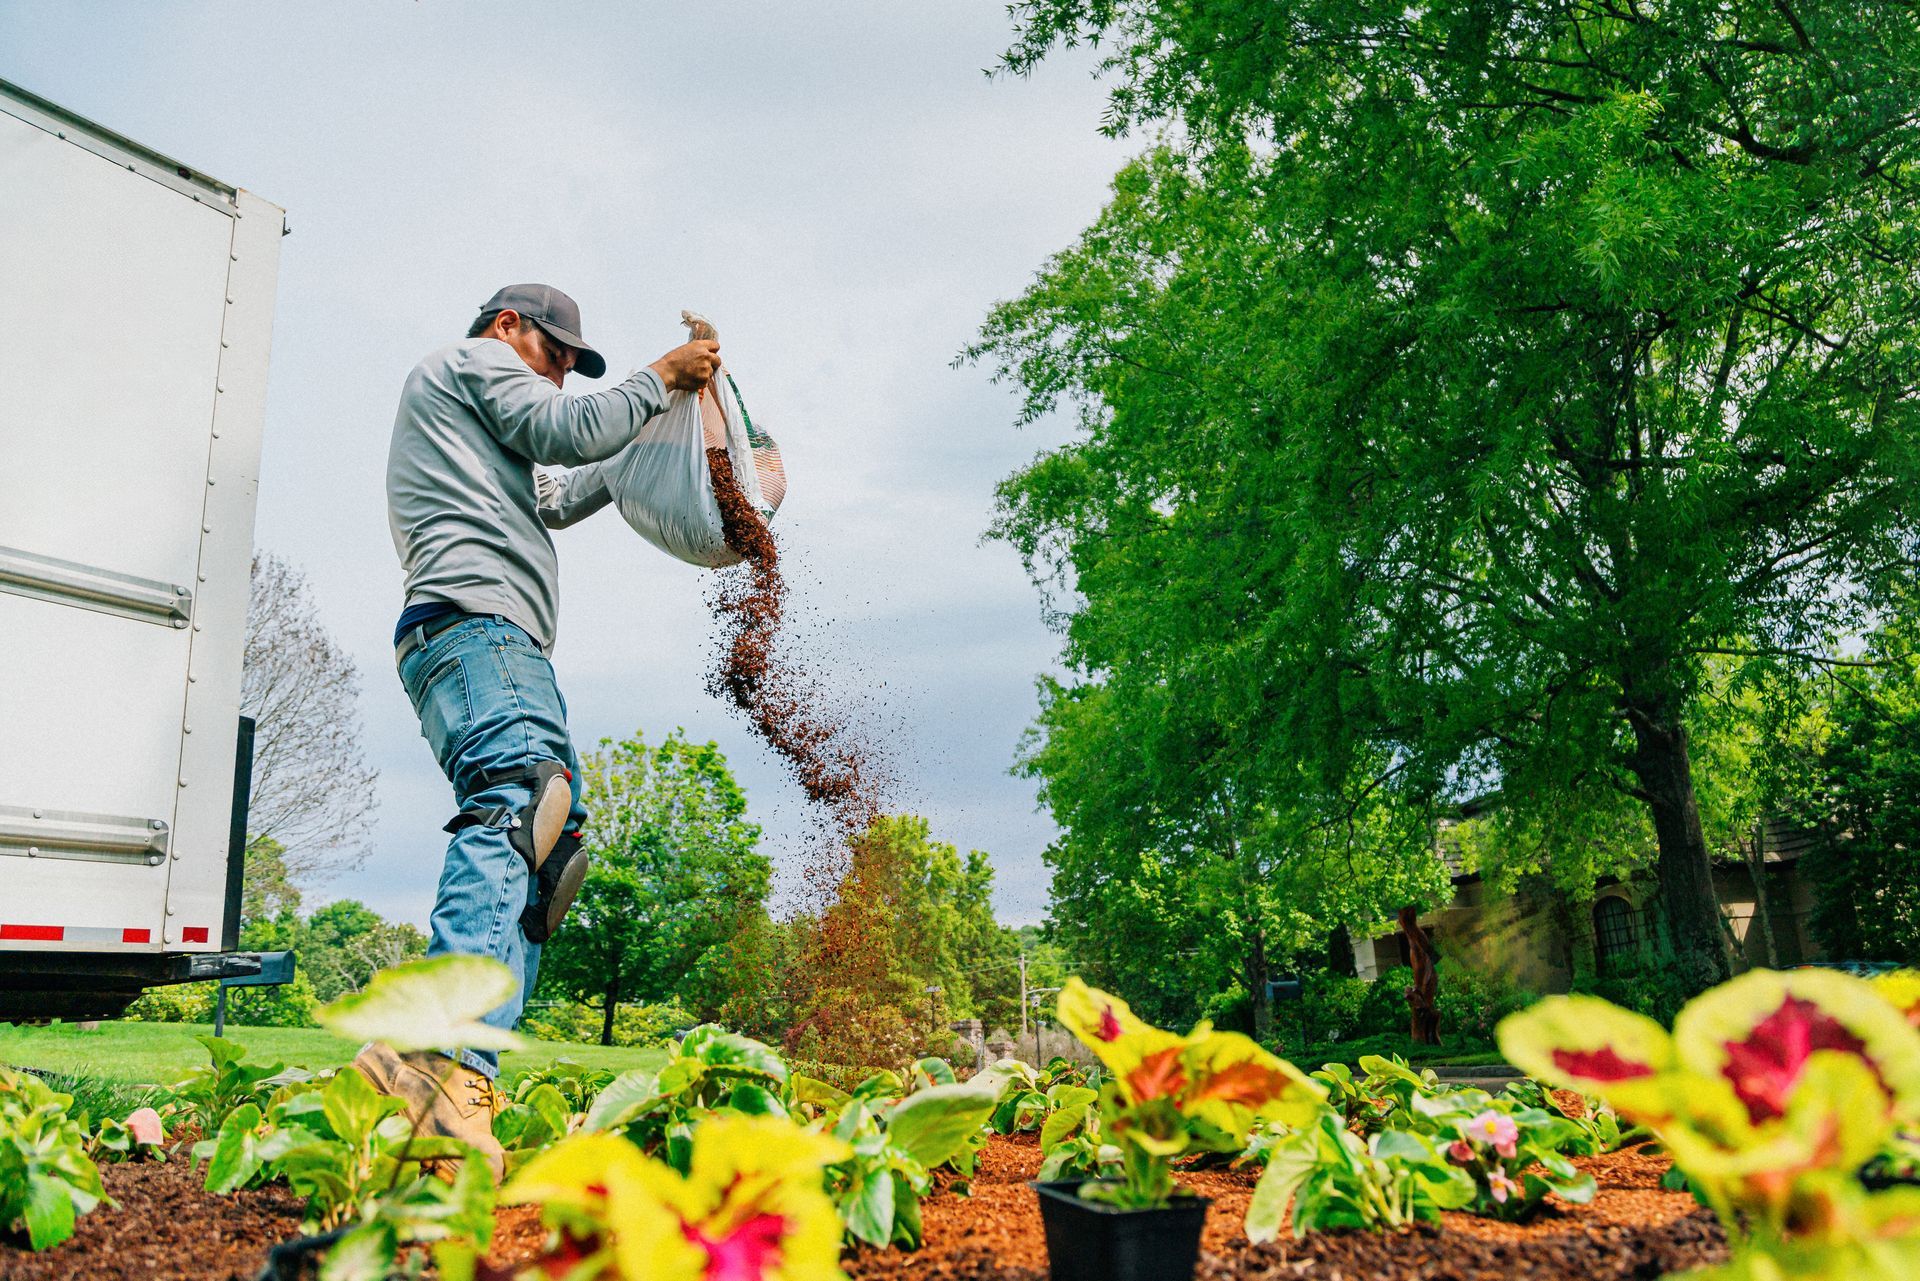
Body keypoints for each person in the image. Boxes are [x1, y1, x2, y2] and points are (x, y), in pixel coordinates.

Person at [354, 284, 720, 1176]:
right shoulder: (469, 359)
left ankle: (436, 1073)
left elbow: (561, 486)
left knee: (549, 851)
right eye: (554, 357)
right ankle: (441, 1056)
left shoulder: (490, 431)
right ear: (507, 326)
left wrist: (666, 427)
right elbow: (565, 431)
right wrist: (660, 372)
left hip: (489, 638)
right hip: (474, 625)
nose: (560, 379)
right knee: (520, 797)